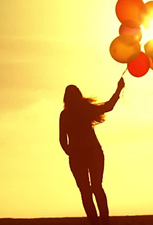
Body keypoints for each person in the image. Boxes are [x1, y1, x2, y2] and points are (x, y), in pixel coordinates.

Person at [59, 77, 125, 225]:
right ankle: (103, 221)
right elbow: (108, 106)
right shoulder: (84, 110)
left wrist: (72, 153)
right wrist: (119, 89)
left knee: (86, 190)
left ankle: (97, 222)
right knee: (95, 187)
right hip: (91, 152)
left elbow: (63, 141)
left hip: (82, 154)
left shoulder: (66, 115)